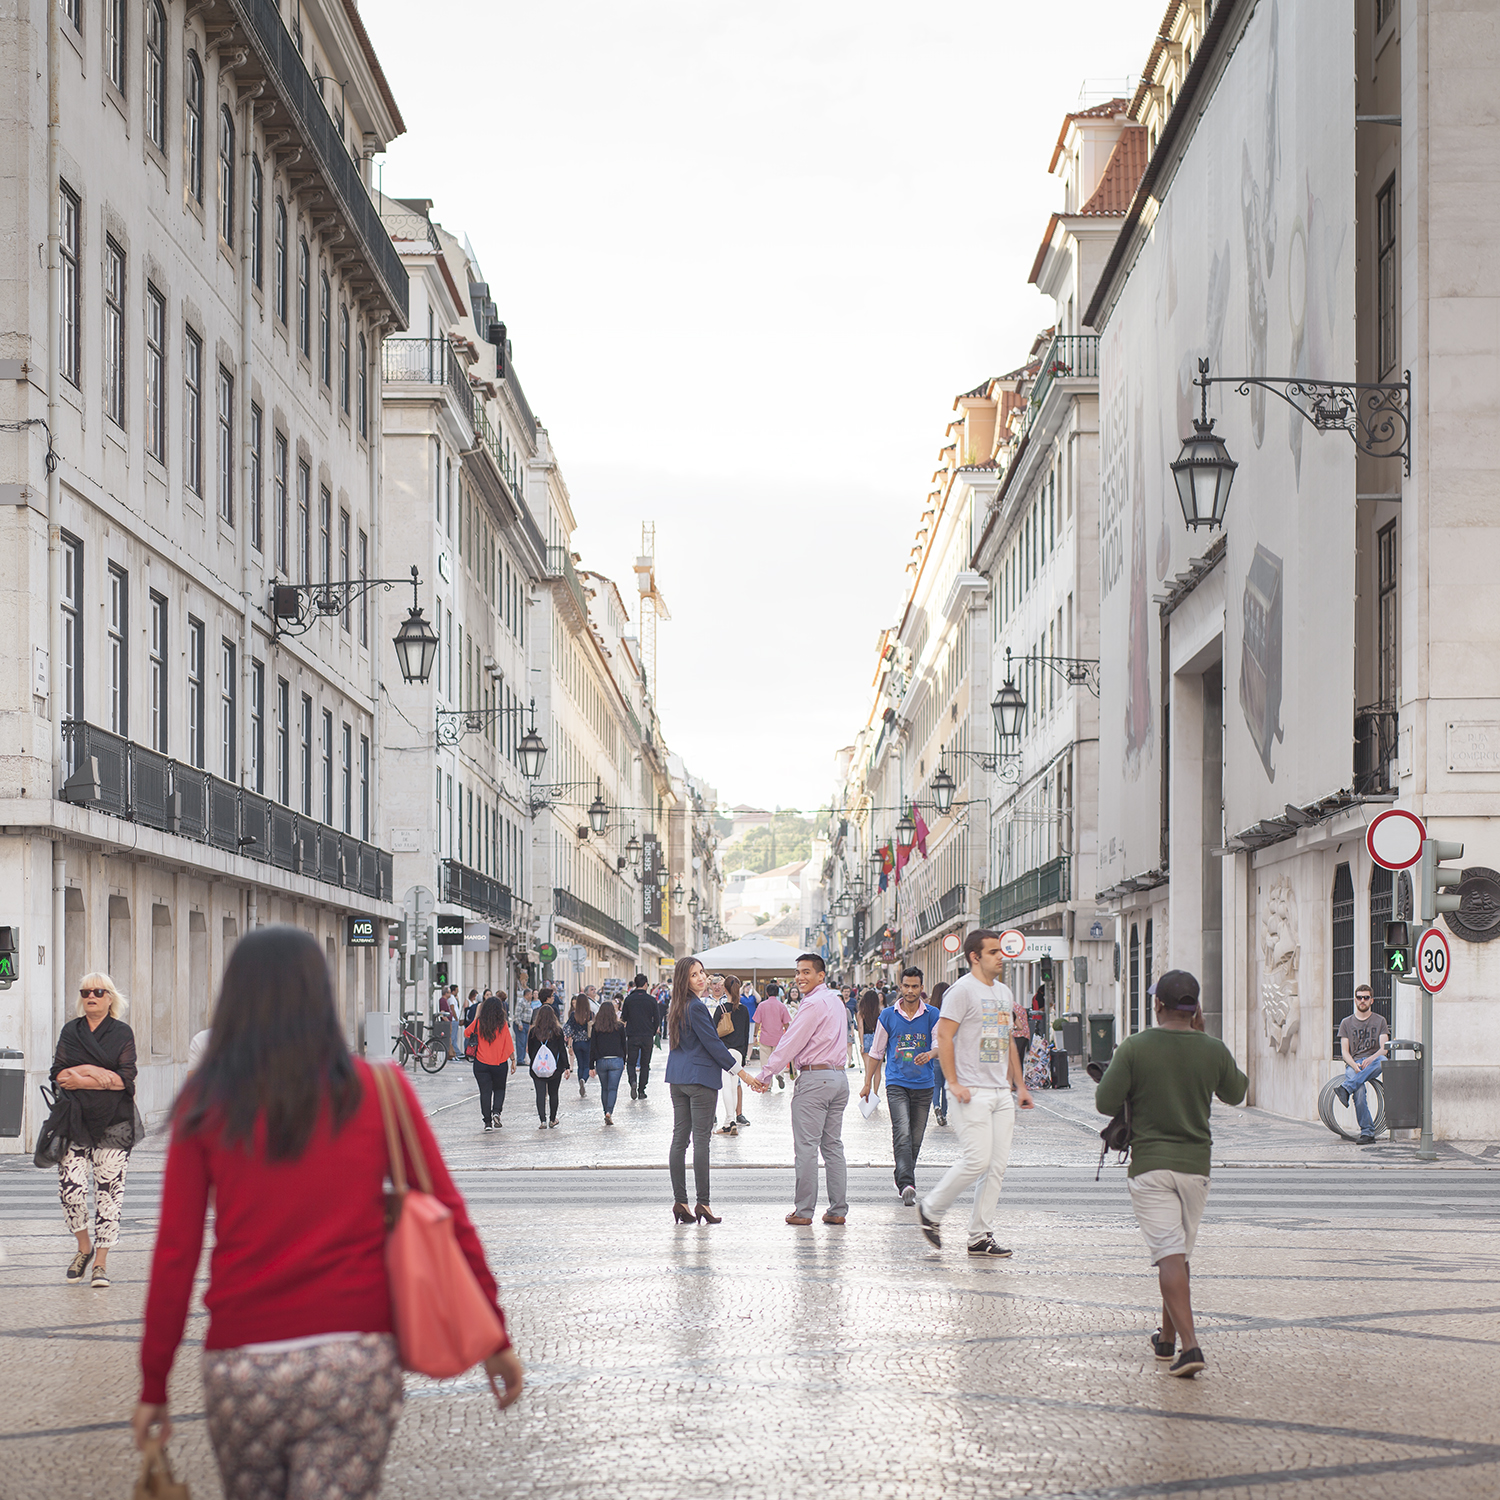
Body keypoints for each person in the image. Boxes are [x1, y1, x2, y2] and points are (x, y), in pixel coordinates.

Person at [131, 925, 523, 1490]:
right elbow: (450, 1216)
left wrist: (153, 1386)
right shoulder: (378, 1090)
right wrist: (495, 1338)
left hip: (243, 1363)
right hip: (353, 1357)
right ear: (322, 997)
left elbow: (175, 1254)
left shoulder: (207, 1102)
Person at [1094, 970, 1248, 1379]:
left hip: (1150, 1167)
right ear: (1195, 1008)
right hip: (1196, 1168)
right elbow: (1237, 1092)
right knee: (1175, 1255)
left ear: (1157, 1004)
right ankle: (1166, 1337)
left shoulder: (1136, 1047)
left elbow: (1104, 1099)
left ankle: (1191, 1347)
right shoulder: (1211, 1049)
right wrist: (1206, 1038)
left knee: (1168, 1255)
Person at [917, 931, 1034, 1258]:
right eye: (993, 951)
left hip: (1000, 1092)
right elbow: (943, 1035)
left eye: (1001, 951)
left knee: (995, 1167)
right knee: (976, 1159)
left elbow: (1007, 1039)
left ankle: (979, 1236)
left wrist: (1020, 1085)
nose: (1001, 956)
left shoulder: (1003, 991)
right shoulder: (961, 991)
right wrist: (952, 1083)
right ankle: (931, 1208)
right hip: (970, 1090)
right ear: (974, 956)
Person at [51, 972, 140, 1289]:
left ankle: (100, 1263)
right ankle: (83, 1246)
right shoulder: (71, 1031)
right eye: (86, 991)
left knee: (109, 1194)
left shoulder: (121, 1033)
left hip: (113, 1123)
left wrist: (84, 1075)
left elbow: (124, 1080)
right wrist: (96, 1073)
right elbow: (59, 1073)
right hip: (74, 1122)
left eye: (98, 991)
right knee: (70, 1190)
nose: (91, 996)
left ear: (110, 997)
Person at [755, 954, 850, 1226]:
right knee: (832, 1146)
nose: (800, 977)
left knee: (807, 1147)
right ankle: (837, 1210)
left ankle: (804, 1211)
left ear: (821, 975)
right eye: (798, 972)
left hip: (815, 1080)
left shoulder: (813, 1004)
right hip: (838, 1079)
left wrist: (766, 1073)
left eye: (806, 972)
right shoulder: (835, 1000)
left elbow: (790, 1042)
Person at [664, 956, 759, 1223]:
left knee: (679, 1140)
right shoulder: (695, 1007)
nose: (702, 978)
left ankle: (680, 1201)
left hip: (678, 1077)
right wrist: (742, 1074)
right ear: (685, 979)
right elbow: (713, 1044)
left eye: (702, 973)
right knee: (700, 1142)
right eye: (695, 975)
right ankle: (702, 1204)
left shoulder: (677, 1004)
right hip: (700, 1079)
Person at [862, 967, 940, 1206]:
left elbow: (940, 1044)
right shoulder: (887, 1015)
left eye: (915, 986)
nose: (910, 991)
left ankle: (902, 1177)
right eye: (906, 986)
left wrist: (929, 1054)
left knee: (915, 1137)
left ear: (921, 988)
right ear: (900, 986)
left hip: (924, 1084)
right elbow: (876, 1052)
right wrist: (867, 1084)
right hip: (896, 1082)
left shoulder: (932, 1014)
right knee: (902, 1132)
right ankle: (907, 1183)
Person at [1337, 984, 1389, 1144]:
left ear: (1371, 1000)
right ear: (1355, 1000)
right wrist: (1354, 1065)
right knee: (1359, 1094)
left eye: (1366, 997)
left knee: (1383, 1061)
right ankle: (1367, 1133)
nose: (1362, 1000)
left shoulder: (1380, 1020)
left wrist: (1372, 1058)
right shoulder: (1346, 1023)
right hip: (1354, 1063)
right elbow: (1345, 1052)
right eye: (1359, 997)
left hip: (1373, 1063)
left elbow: (1384, 1049)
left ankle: (1346, 1088)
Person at [466, 995, 516, 1130]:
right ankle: (496, 1112)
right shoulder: (503, 1024)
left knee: (485, 1092)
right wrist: (513, 1060)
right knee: (499, 1089)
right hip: (499, 1063)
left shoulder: (479, 1023)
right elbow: (508, 1042)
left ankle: (487, 1122)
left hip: (481, 1063)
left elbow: (466, 1032)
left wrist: (477, 1017)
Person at [713, 977, 753, 1133]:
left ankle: (729, 1121)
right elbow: (746, 1035)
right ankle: (732, 1120)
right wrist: (743, 1057)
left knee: (726, 1087)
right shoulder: (744, 1010)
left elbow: (712, 1033)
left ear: (726, 989)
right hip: (738, 1052)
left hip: (724, 1052)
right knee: (735, 1085)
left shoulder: (721, 1009)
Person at [527, 1003, 571, 1129]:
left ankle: (542, 1120)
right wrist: (567, 1066)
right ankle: (552, 1119)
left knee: (540, 1094)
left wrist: (535, 1061)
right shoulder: (557, 1031)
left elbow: (530, 1050)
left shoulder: (533, 1032)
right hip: (554, 1069)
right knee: (553, 1093)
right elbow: (562, 1050)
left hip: (538, 1069)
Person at [622, 973, 659, 1100]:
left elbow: (624, 1017)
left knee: (631, 1062)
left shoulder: (629, 999)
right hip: (647, 1035)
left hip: (632, 1035)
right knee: (645, 1064)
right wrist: (652, 1031)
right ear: (645, 984)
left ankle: (632, 1081)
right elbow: (657, 1019)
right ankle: (642, 1090)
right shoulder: (651, 1000)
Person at [589, 1000, 628, 1124]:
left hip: (601, 1061)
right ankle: (609, 1112)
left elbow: (593, 1047)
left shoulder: (596, 1027)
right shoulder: (620, 1027)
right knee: (613, 1089)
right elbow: (624, 1045)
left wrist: (591, 1065)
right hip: (616, 1060)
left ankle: (605, 1110)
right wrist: (624, 1061)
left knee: (604, 1088)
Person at [753, 982, 792, 1089]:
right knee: (778, 1059)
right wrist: (789, 1035)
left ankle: (767, 1084)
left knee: (765, 1061)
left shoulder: (762, 1005)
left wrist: (755, 1034)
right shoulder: (781, 1006)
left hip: (765, 1038)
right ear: (777, 992)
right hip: (778, 1038)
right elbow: (786, 1023)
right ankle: (779, 1074)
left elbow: (757, 1022)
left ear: (766, 993)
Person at [929, 981, 951, 1125]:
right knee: (946, 1085)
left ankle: (936, 1105)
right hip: (948, 1052)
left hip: (934, 1052)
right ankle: (943, 1113)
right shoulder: (950, 1012)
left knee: (936, 1083)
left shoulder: (930, 1012)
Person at [565, 995, 594, 1099]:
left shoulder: (573, 1015)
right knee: (587, 1065)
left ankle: (580, 1082)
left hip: (576, 1043)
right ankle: (584, 1080)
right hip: (587, 1042)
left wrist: (569, 1041)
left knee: (580, 1065)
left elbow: (567, 1029)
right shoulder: (590, 1014)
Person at [857, 990, 884, 1099]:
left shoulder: (861, 1013)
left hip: (867, 1039)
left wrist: (862, 1044)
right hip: (878, 1039)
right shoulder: (880, 1013)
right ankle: (875, 1094)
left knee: (868, 1071)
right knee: (877, 1070)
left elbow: (860, 1028)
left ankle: (867, 1092)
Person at [1012, 991, 1032, 1070]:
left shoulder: (1008, 1007)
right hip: (1025, 1035)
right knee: (1020, 1059)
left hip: (1016, 1035)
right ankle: (1019, 1079)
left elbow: (1017, 1026)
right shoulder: (1017, 1005)